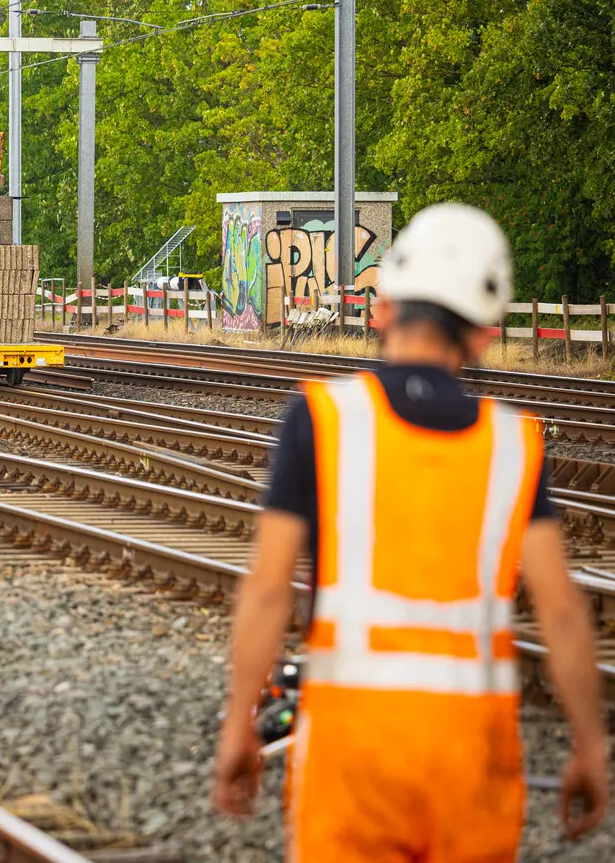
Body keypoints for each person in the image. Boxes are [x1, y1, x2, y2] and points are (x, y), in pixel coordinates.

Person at [212, 203, 609, 860]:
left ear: (382, 309)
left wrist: (238, 728)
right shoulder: (514, 445)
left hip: (354, 750)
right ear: (485, 333)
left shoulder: (322, 418)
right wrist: (591, 745)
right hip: (473, 760)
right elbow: (564, 612)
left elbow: (266, 590)